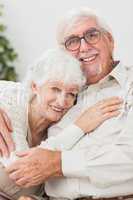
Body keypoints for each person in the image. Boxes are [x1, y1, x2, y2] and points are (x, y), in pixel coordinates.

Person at [0, 7, 133, 200]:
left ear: (110, 41)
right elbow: (17, 92)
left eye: (92, 35)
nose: (84, 46)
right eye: (72, 41)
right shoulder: (62, 90)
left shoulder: (129, 87)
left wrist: (57, 163)